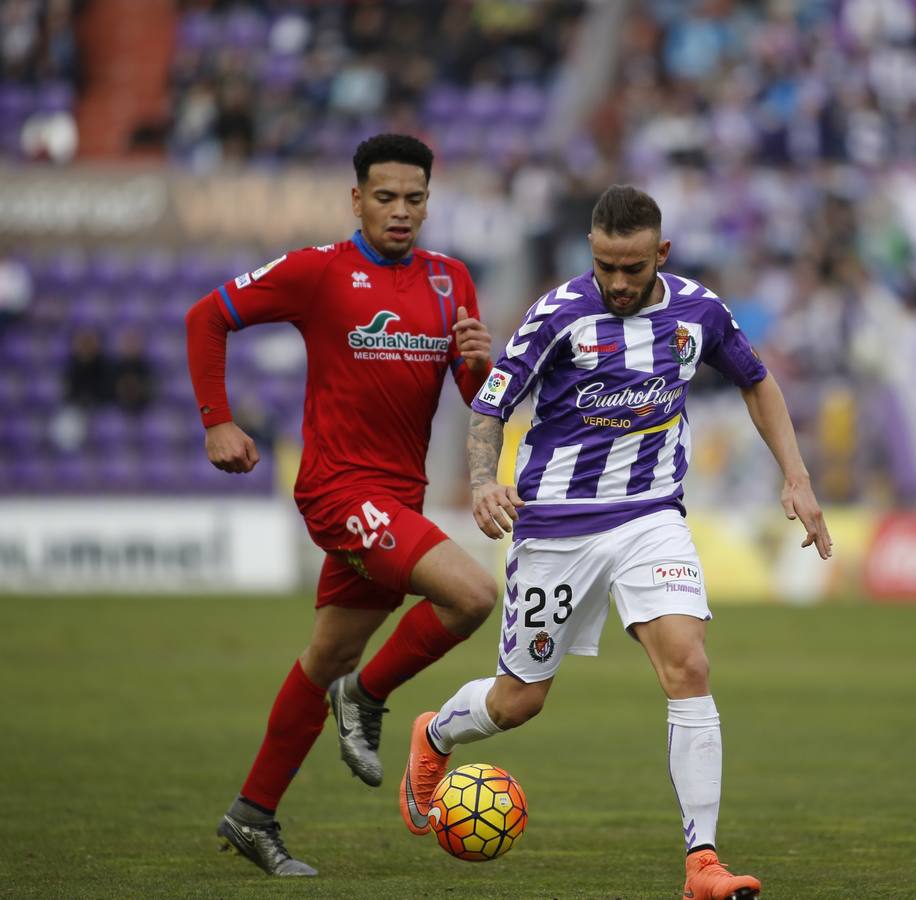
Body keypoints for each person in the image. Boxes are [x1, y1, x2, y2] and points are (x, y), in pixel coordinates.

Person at [399, 185, 832, 900]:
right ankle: (437, 734)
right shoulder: (559, 314)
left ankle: (704, 865)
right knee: (517, 702)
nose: (620, 283)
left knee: (688, 664)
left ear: (660, 253)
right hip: (556, 531)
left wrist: (797, 476)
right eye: (606, 267)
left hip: (649, 518)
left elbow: (758, 384)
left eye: (633, 268)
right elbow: (490, 404)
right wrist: (482, 482)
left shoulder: (699, 311)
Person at [185, 133, 498, 877]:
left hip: (399, 498)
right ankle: (366, 696)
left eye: (413, 199)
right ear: (355, 199)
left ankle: (251, 815)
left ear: (429, 200)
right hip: (339, 490)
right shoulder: (317, 272)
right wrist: (216, 419)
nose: (400, 211)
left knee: (326, 654)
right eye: (384, 197)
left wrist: (482, 362)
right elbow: (207, 317)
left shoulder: (452, 280)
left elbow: (475, 398)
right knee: (474, 594)